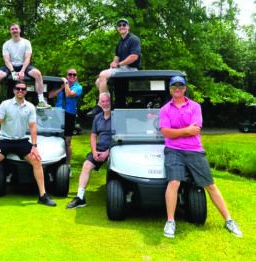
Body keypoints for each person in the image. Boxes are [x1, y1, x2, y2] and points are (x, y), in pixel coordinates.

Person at [159, 76, 243, 238]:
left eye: (180, 86)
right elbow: (166, 132)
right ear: (170, 89)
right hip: (173, 150)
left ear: (185, 89)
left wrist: (178, 132)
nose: (177, 89)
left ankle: (229, 220)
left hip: (194, 150)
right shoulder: (165, 110)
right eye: (174, 86)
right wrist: (185, 131)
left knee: (210, 185)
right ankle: (170, 222)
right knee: (174, 182)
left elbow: (195, 130)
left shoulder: (195, 107)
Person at [0, 81, 56, 211]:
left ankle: (43, 195)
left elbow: (33, 127)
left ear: (26, 91)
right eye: (18, 89)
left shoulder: (30, 107)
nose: (20, 91)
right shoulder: (5, 105)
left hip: (21, 141)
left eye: (23, 89)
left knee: (36, 160)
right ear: (14, 90)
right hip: (5, 140)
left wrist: (34, 146)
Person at [0, 23, 51, 113]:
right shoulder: (6, 44)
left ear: (19, 30)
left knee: (38, 74)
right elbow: (7, 60)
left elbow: (28, 58)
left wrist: (22, 71)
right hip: (10, 66)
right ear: (10, 31)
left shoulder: (26, 42)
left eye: (16, 28)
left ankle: (41, 101)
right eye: (12, 29)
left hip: (24, 66)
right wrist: (12, 71)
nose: (14, 30)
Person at [87, 18, 141, 117]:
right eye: (119, 25)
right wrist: (113, 64)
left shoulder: (133, 39)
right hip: (122, 69)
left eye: (124, 25)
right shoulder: (120, 43)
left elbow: (134, 57)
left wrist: (119, 64)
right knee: (98, 81)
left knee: (102, 74)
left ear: (128, 27)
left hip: (131, 70)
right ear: (117, 28)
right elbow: (116, 60)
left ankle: (101, 105)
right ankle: (107, 103)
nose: (122, 26)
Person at [66, 92, 111, 209]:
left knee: (115, 168)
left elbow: (120, 136)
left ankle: (123, 195)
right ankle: (80, 198)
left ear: (110, 102)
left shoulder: (117, 117)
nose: (105, 104)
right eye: (103, 102)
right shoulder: (97, 118)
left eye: (107, 101)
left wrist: (108, 152)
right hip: (100, 148)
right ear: (99, 104)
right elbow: (93, 136)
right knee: (86, 165)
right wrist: (94, 151)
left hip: (114, 149)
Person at [48, 69, 82, 175]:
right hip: (57, 114)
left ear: (76, 77)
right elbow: (50, 95)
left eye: (74, 74)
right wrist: (61, 87)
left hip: (69, 114)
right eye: (70, 74)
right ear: (67, 75)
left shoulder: (78, 87)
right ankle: (53, 163)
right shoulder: (60, 85)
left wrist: (66, 83)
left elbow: (69, 94)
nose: (72, 76)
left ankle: (67, 164)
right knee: (54, 138)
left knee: (67, 141)